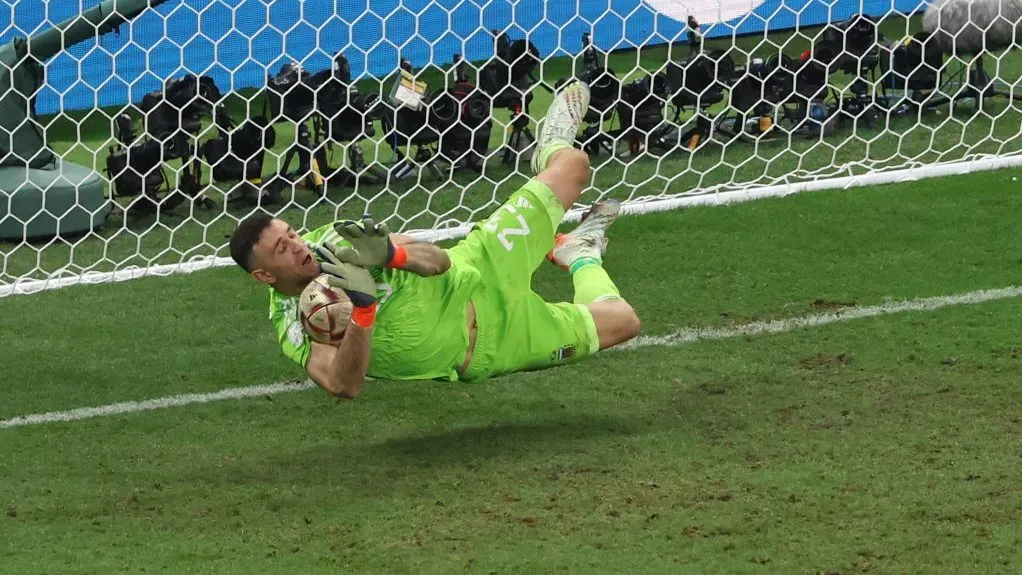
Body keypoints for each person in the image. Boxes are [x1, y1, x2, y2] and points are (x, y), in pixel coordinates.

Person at [228, 79, 641, 399]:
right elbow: (343, 386)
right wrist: (363, 311)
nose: (298, 245)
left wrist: (392, 253)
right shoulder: (296, 324)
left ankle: (548, 145)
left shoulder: (340, 240)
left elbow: (440, 262)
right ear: (265, 276)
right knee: (624, 322)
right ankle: (581, 254)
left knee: (573, 165)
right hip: (497, 345)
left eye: (292, 233)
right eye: (283, 248)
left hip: (483, 263)